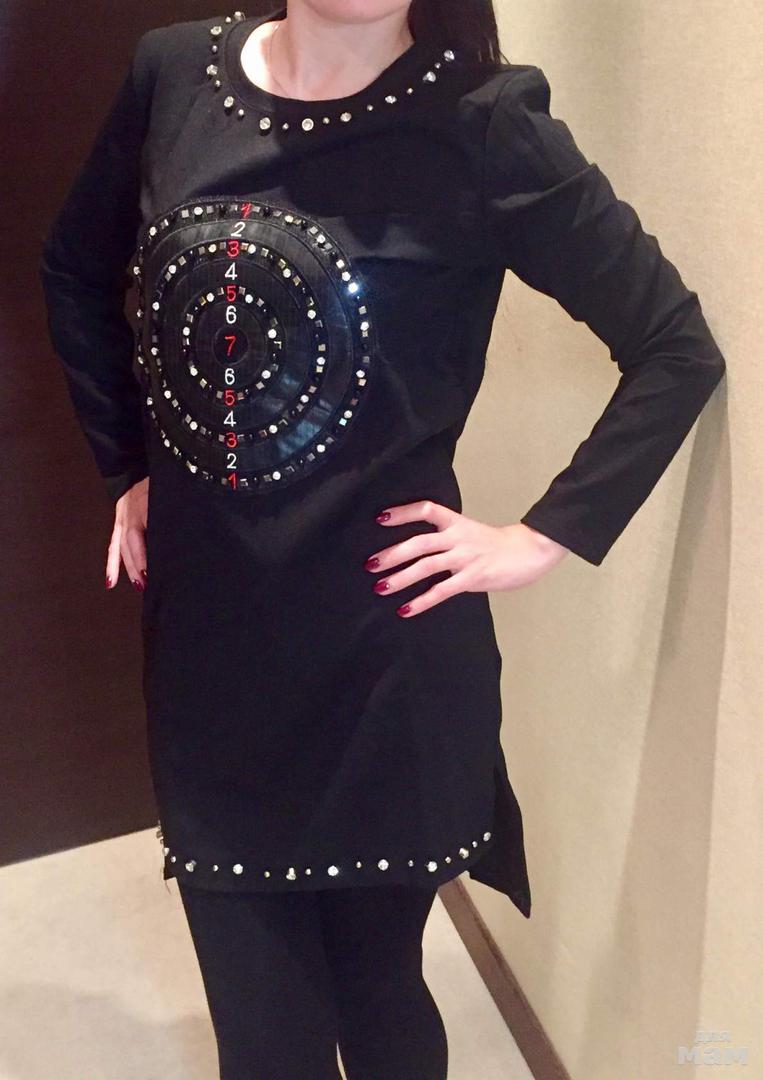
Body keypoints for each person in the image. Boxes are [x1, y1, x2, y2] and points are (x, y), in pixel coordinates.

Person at [38, 2, 726, 1077]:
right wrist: (130, 459)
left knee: (379, 995)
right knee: (264, 1038)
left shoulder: (483, 120)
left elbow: (673, 347)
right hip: (213, 649)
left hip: (386, 656)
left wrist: (541, 535)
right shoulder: (172, 74)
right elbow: (76, 272)